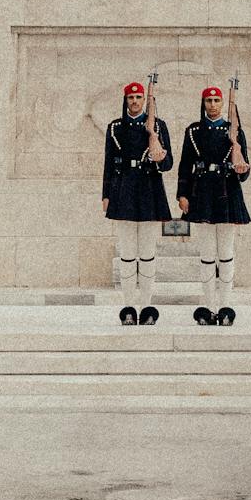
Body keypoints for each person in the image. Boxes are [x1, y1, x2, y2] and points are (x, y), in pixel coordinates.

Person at [175, 84, 250, 325]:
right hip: (203, 194)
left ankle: (226, 305)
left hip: (227, 192)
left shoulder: (234, 132)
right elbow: (185, 164)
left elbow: (244, 169)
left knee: (226, 253)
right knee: (207, 255)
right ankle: (208, 306)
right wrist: (182, 194)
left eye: (217, 101)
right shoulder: (194, 131)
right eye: (209, 101)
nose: (213, 105)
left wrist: (241, 169)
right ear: (203, 103)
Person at [101, 81, 174, 326]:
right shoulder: (116, 127)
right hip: (123, 190)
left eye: (138, 97)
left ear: (145, 100)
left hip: (149, 189)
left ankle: (146, 305)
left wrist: (159, 157)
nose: (134, 101)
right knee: (128, 254)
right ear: (125, 100)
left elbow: (168, 164)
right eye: (131, 97)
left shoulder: (158, 126)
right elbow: (109, 165)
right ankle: (129, 306)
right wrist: (106, 195)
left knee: (147, 253)